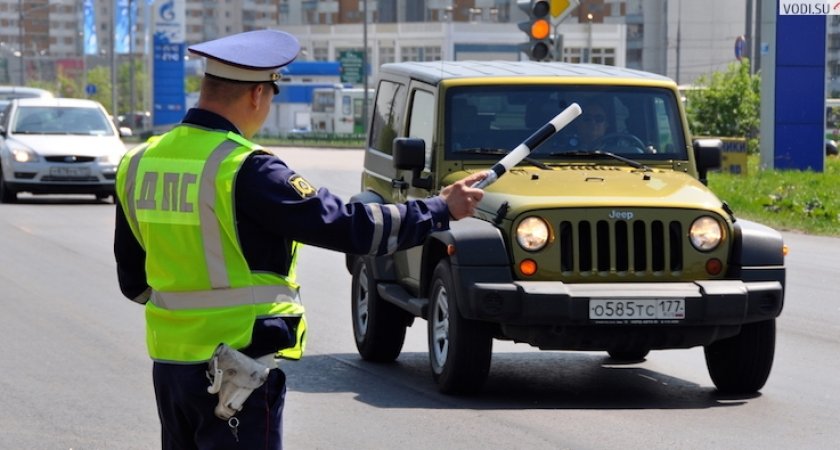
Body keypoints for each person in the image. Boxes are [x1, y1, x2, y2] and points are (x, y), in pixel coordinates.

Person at [112, 29, 485, 450]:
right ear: (257, 94)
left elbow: (133, 279)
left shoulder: (140, 161)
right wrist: (440, 208)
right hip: (235, 370)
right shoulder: (244, 168)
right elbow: (351, 226)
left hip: (170, 368)